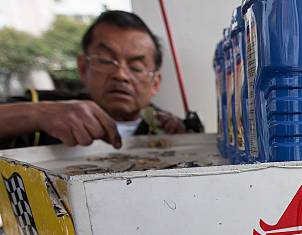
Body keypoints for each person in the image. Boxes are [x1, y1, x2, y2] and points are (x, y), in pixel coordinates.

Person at [0, 10, 186, 150]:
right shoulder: (47, 109)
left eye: (136, 68)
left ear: (155, 83)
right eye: (105, 61)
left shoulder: (172, 130)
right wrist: (38, 115)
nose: (120, 75)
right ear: (83, 67)